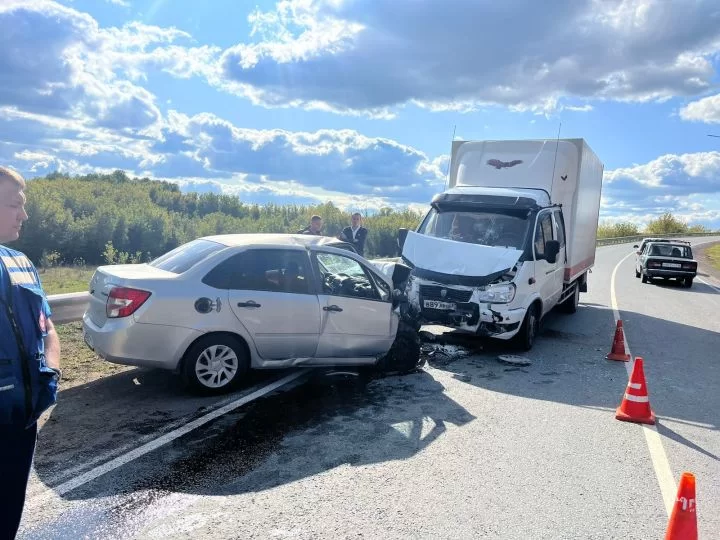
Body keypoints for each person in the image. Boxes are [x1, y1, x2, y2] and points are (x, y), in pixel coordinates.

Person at [0, 166, 61, 539]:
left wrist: (50, 374)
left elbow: (48, 326)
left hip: (22, 421)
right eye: (13, 205)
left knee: (8, 518)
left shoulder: (21, 263)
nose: (24, 215)